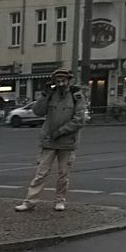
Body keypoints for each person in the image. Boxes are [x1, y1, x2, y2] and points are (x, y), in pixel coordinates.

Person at [15, 67, 88, 213]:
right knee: (41, 173)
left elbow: (80, 120)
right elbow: (38, 111)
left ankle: (60, 200)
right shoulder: (50, 94)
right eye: (58, 81)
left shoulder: (76, 96)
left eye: (63, 81)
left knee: (63, 174)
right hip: (49, 140)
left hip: (67, 141)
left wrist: (60, 132)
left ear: (69, 81)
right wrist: (44, 95)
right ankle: (30, 202)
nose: (60, 84)